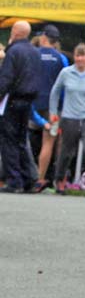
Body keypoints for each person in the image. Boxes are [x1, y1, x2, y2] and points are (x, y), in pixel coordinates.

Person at [50, 44, 85, 197]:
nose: (80, 59)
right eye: (77, 55)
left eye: (83, 56)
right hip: (70, 116)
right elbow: (55, 92)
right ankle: (60, 179)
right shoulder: (66, 73)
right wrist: (53, 112)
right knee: (67, 151)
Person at [0, 21, 42, 193]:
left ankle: (14, 180)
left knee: (8, 141)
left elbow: (7, 77)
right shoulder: (34, 51)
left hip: (12, 99)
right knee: (21, 141)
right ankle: (29, 179)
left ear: (15, 32)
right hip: (28, 100)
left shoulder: (14, 51)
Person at [31, 25, 69, 191]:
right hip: (53, 106)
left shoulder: (33, 54)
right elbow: (64, 85)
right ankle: (40, 178)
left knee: (27, 141)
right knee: (49, 143)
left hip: (32, 101)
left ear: (44, 38)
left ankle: (27, 175)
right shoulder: (61, 58)